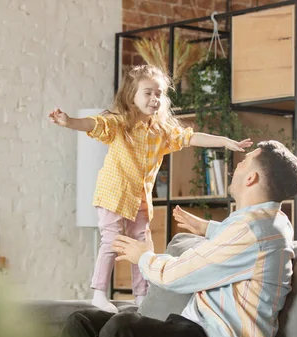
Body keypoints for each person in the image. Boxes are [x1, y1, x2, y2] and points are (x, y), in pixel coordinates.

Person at [45, 140, 297, 337]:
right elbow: (241, 247)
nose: (237, 166)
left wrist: (143, 257)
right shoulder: (272, 221)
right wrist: (209, 229)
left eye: (244, 161)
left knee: (122, 327)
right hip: (198, 328)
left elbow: (178, 275)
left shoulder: (254, 230)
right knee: (83, 322)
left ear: (251, 178)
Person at [48, 65, 252, 313]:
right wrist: (69, 122)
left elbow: (191, 137)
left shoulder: (161, 132)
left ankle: (140, 295)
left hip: (140, 198)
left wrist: (223, 142)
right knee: (112, 241)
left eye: (159, 94)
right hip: (114, 194)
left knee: (142, 245)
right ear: (131, 95)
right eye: (148, 93)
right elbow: (93, 124)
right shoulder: (119, 124)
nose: (154, 99)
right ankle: (99, 294)